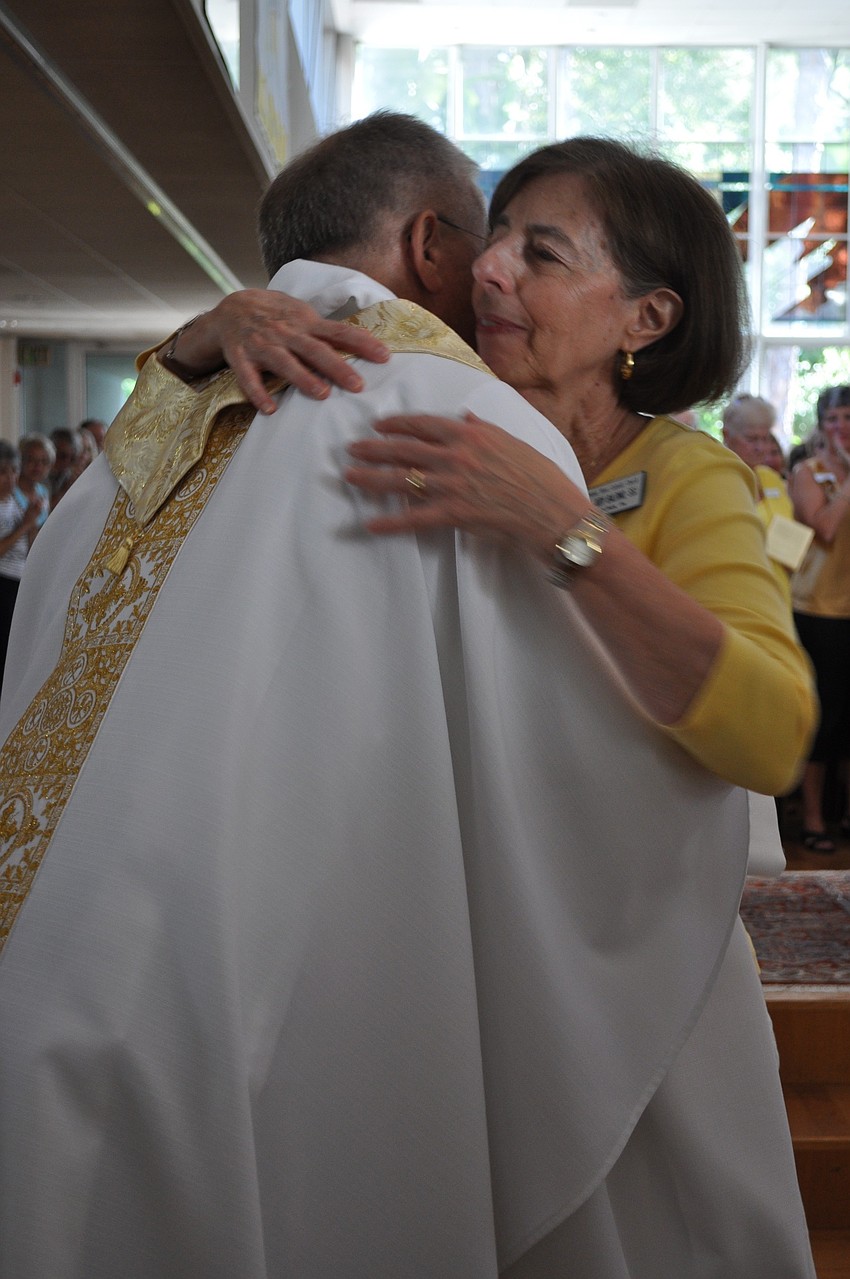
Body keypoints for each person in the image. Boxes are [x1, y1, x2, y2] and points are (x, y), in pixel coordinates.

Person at [0, 120, 815, 1279]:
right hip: (416, 929)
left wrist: (562, 526)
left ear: (647, 318)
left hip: (595, 949)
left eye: (540, 253)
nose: (491, 272)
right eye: (498, 245)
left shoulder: (688, 477)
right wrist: (188, 343)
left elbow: (772, 732)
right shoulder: (350, 396)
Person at [789, 383, 850, 851]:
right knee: (823, 718)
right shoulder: (807, 472)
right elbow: (825, 528)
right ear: (821, 425)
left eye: (849, 418)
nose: (842, 428)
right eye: (833, 420)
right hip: (819, 609)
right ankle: (812, 819)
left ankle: (845, 814)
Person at [721, 393, 797, 605]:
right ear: (726, 435)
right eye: (752, 439)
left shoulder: (771, 478)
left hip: (778, 591)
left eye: (765, 438)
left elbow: (788, 531)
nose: (760, 448)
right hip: (736, 594)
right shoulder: (718, 479)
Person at [0, 442, 41, 697]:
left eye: (14, 471)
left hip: (19, 579)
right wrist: (26, 525)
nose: (10, 478)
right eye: (3, 472)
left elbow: (30, 545)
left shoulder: (14, 501)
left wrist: (33, 520)